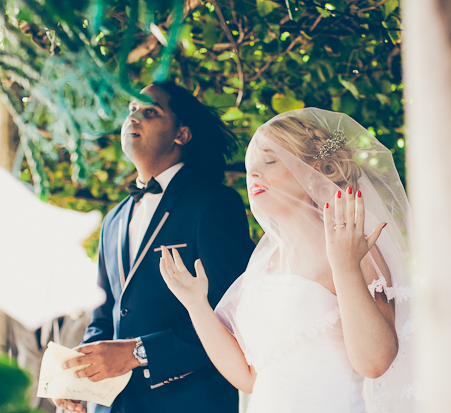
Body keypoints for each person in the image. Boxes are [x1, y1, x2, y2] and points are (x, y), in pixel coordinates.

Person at [160, 108, 417, 412]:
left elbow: (375, 363)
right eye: (250, 166)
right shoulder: (263, 266)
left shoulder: (353, 248)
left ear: (315, 169)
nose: (253, 173)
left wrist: (345, 267)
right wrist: (195, 305)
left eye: (270, 160)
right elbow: (249, 377)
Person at [54, 82, 255, 413]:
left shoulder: (213, 204)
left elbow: (231, 315)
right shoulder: (113, 220)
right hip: (113, 406)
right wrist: (80, 373)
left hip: (188, 403)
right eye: (131, 110)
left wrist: (138, 352)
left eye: (150, 112)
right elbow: (105, 316)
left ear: (182, 134)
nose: (133, 118)